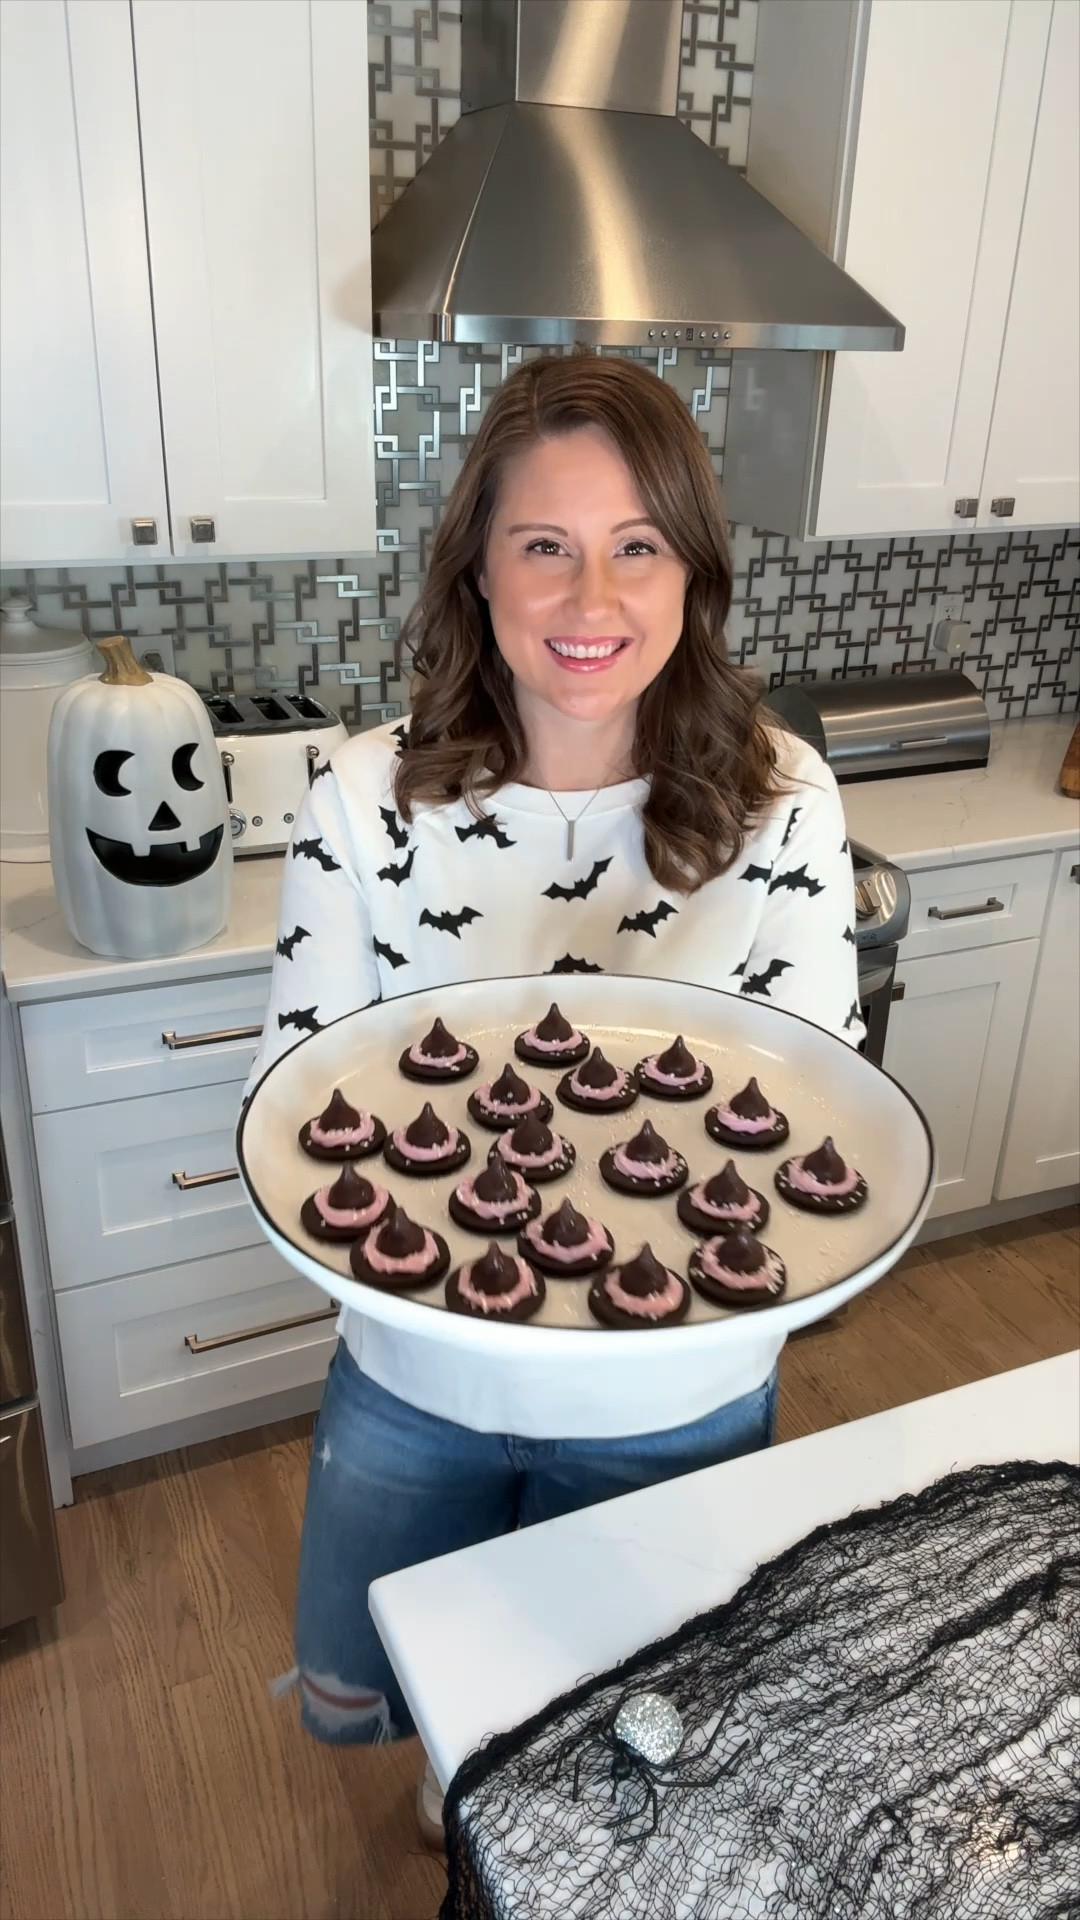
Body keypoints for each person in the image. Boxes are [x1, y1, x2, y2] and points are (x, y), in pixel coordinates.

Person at [247, 353, 862, 1816]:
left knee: (613, 1738)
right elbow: (295, 1098)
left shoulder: (784, 801)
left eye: (636, 546)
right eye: (545, 546)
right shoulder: (363, 802)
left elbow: (822, 1117)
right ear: (477, 570)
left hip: (680, 1396)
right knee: (386, 1698)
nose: (592, 601)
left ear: (691, 574)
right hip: (418, 1383)